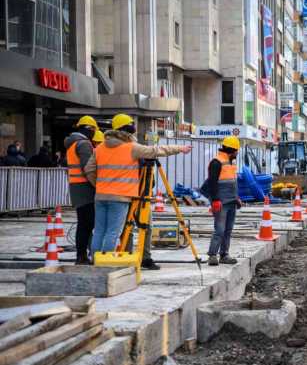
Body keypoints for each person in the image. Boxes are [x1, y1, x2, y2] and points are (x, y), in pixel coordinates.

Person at [84, 114, 192, 261]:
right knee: (112, 232)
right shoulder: (131, 148)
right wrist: (180, 148)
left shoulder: (100, 148)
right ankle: (104, 262)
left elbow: (89, 170)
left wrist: (99, 185)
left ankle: (94, 260)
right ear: (126, 129)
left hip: (101, 195)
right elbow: (156, 150)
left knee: (99, 231)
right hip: (120, 197)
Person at [64, 115, 98, 264]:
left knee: (83, 224)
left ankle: (81, 256)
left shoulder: (72, 143)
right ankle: (83, 256)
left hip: (76, 187)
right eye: (93, 130)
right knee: (88, 224)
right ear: (89, 129)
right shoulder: (84, 144)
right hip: (85, 188)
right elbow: (88, 168)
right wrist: (97, 185)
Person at [204, 136, 242, 266]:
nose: (237, 153)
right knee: (219, 229)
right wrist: (214, 200)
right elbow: (212, 183)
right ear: (232, 150)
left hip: (231, 201)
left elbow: (232, 183)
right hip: (220, 202)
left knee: (228, 230)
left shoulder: (230, 162)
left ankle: (224, 254)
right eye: (237, 150)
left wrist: (236, 198)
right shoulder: (216, 162)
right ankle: (212, 255)